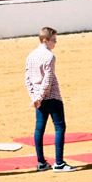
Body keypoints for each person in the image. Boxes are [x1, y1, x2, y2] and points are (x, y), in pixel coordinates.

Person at [25, 27, 76, 172]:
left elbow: (27, 79)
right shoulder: (49, 56)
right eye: (53, 40)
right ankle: (59, 162)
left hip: (38, 98)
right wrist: (39, 96)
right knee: (59, 127)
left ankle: (41, 162)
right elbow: (47, 81)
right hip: (52, 97)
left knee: (39, 129)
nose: (55, 43)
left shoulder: (31, 55)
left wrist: (35, 97)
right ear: (45, 41)